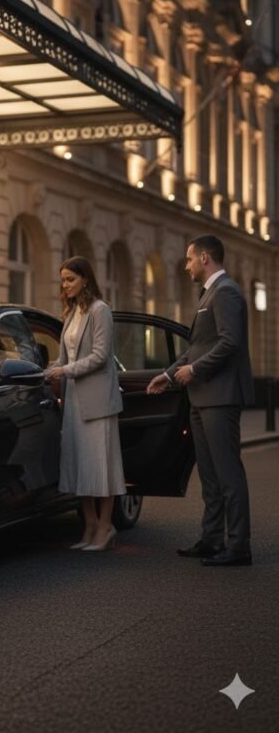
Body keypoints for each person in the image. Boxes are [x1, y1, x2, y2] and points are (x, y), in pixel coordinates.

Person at [147, 235, 253, 566]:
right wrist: (168, 375)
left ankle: (238, 546)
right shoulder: (209, 293)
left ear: (205, 258)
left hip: (220, 397)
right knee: (209, 475)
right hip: (202, 398)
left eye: (190, 259)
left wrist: (194, 369)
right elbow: (199, 347)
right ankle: (211, 539)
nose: (186, 265)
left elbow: (229, 343)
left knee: (228, 474)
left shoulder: (227, 292)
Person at [45, 256, 126, 551]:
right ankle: (89, 525)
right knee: (79, 465)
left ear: (86, 280)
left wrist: (64, 371)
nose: (65, 285)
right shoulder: (71, 313)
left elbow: (100, 356)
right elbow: (62, 359)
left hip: (98, 401)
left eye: (70, 279)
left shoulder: (99, 310)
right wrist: (42, 371)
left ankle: (106, 527)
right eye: (63, 280)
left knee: (101, 467)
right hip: (74, 402)